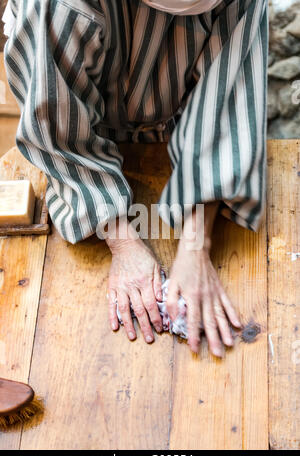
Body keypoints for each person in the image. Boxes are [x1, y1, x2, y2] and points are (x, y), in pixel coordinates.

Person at [3, 0, 268, 356]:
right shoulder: (54, 5)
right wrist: (124, 244)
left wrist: (195, 246)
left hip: (171, 124)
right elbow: (56, 125)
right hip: (77, 126)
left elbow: (226, 104)